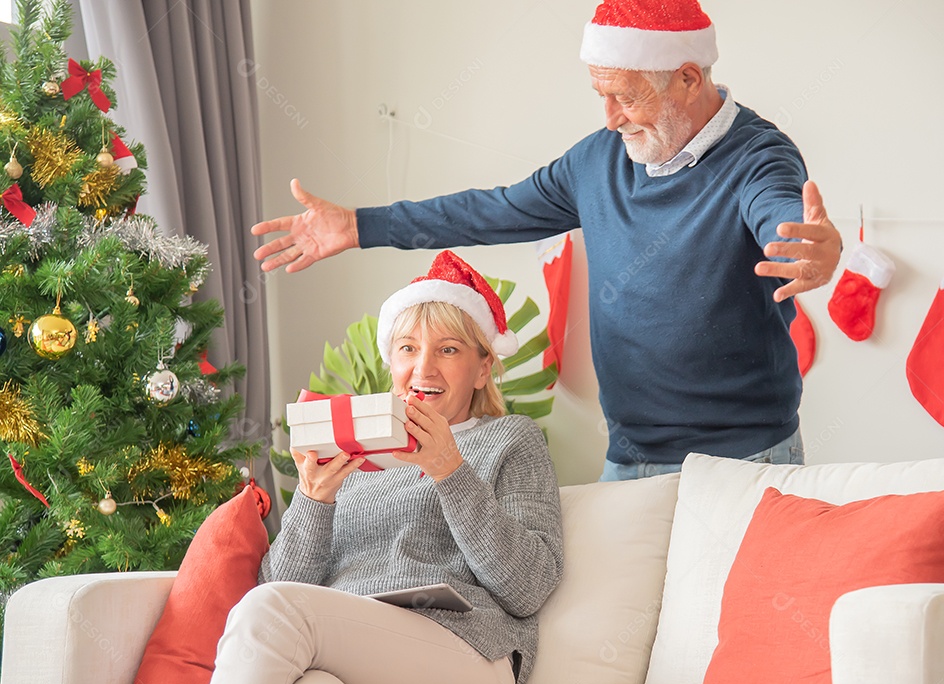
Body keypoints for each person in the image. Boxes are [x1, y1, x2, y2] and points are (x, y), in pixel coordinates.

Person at [251, 0, 842, 481]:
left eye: (628, 96)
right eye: (601, 95)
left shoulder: (759, 155)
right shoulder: (598, 161)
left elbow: (783, 218)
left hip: (745, 460)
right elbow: (492, 211)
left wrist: (813, 250)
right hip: (630, 455)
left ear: (689, 78)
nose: (610, 118)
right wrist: (358, 226)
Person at [198, 251, 564, 684]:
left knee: (273, 611)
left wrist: (450, 471)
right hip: (354, 653)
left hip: (467, 657)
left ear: (482, 368)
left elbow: (529, 588)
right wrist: (313, 501)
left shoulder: (510, 439)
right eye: (408, 349)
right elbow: (282, 588)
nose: (424, 368)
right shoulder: (357, 446)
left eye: (448, 349)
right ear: (391, 361)